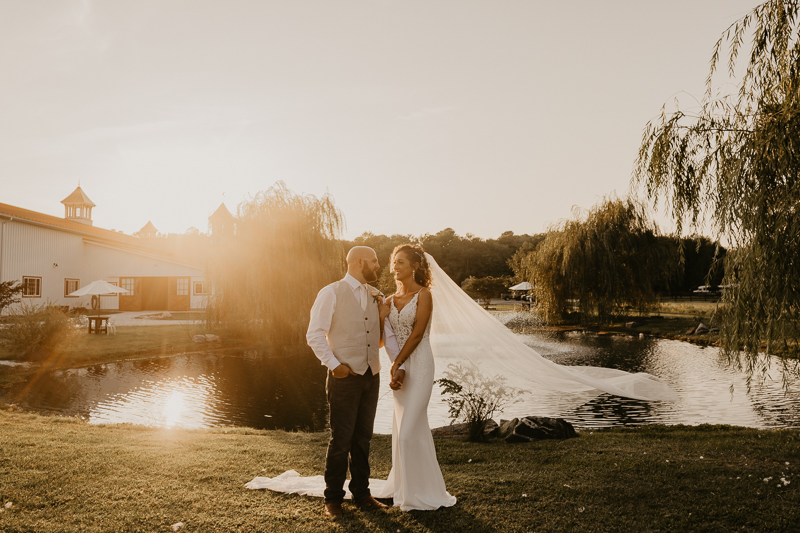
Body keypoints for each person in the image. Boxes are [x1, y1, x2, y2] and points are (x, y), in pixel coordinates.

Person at [305, 246, 389, 519]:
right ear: (360, 262)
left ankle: (362, 494)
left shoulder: (375, 295)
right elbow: (314, 334)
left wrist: (382, 315)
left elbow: (375, 337)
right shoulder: (330, 293)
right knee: (341, 440)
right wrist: (335, 366)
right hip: (344, 378)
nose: (378, 266)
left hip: (370, 377)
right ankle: (333, 500)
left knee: (363, 438)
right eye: (375, 262)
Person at [373, 243, 457, 510]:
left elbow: (418, 334)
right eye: (393, 262)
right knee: (408, 430)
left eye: (400, 262)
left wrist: (399, 362)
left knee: (408, 432)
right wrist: (380, 317)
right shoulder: (387, 300)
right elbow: (380, 342)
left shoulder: (424, 295)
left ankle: (416, 494)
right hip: (400, 372)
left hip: (419, 367)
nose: (395, 266)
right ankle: (408, 488)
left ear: (415, 266)